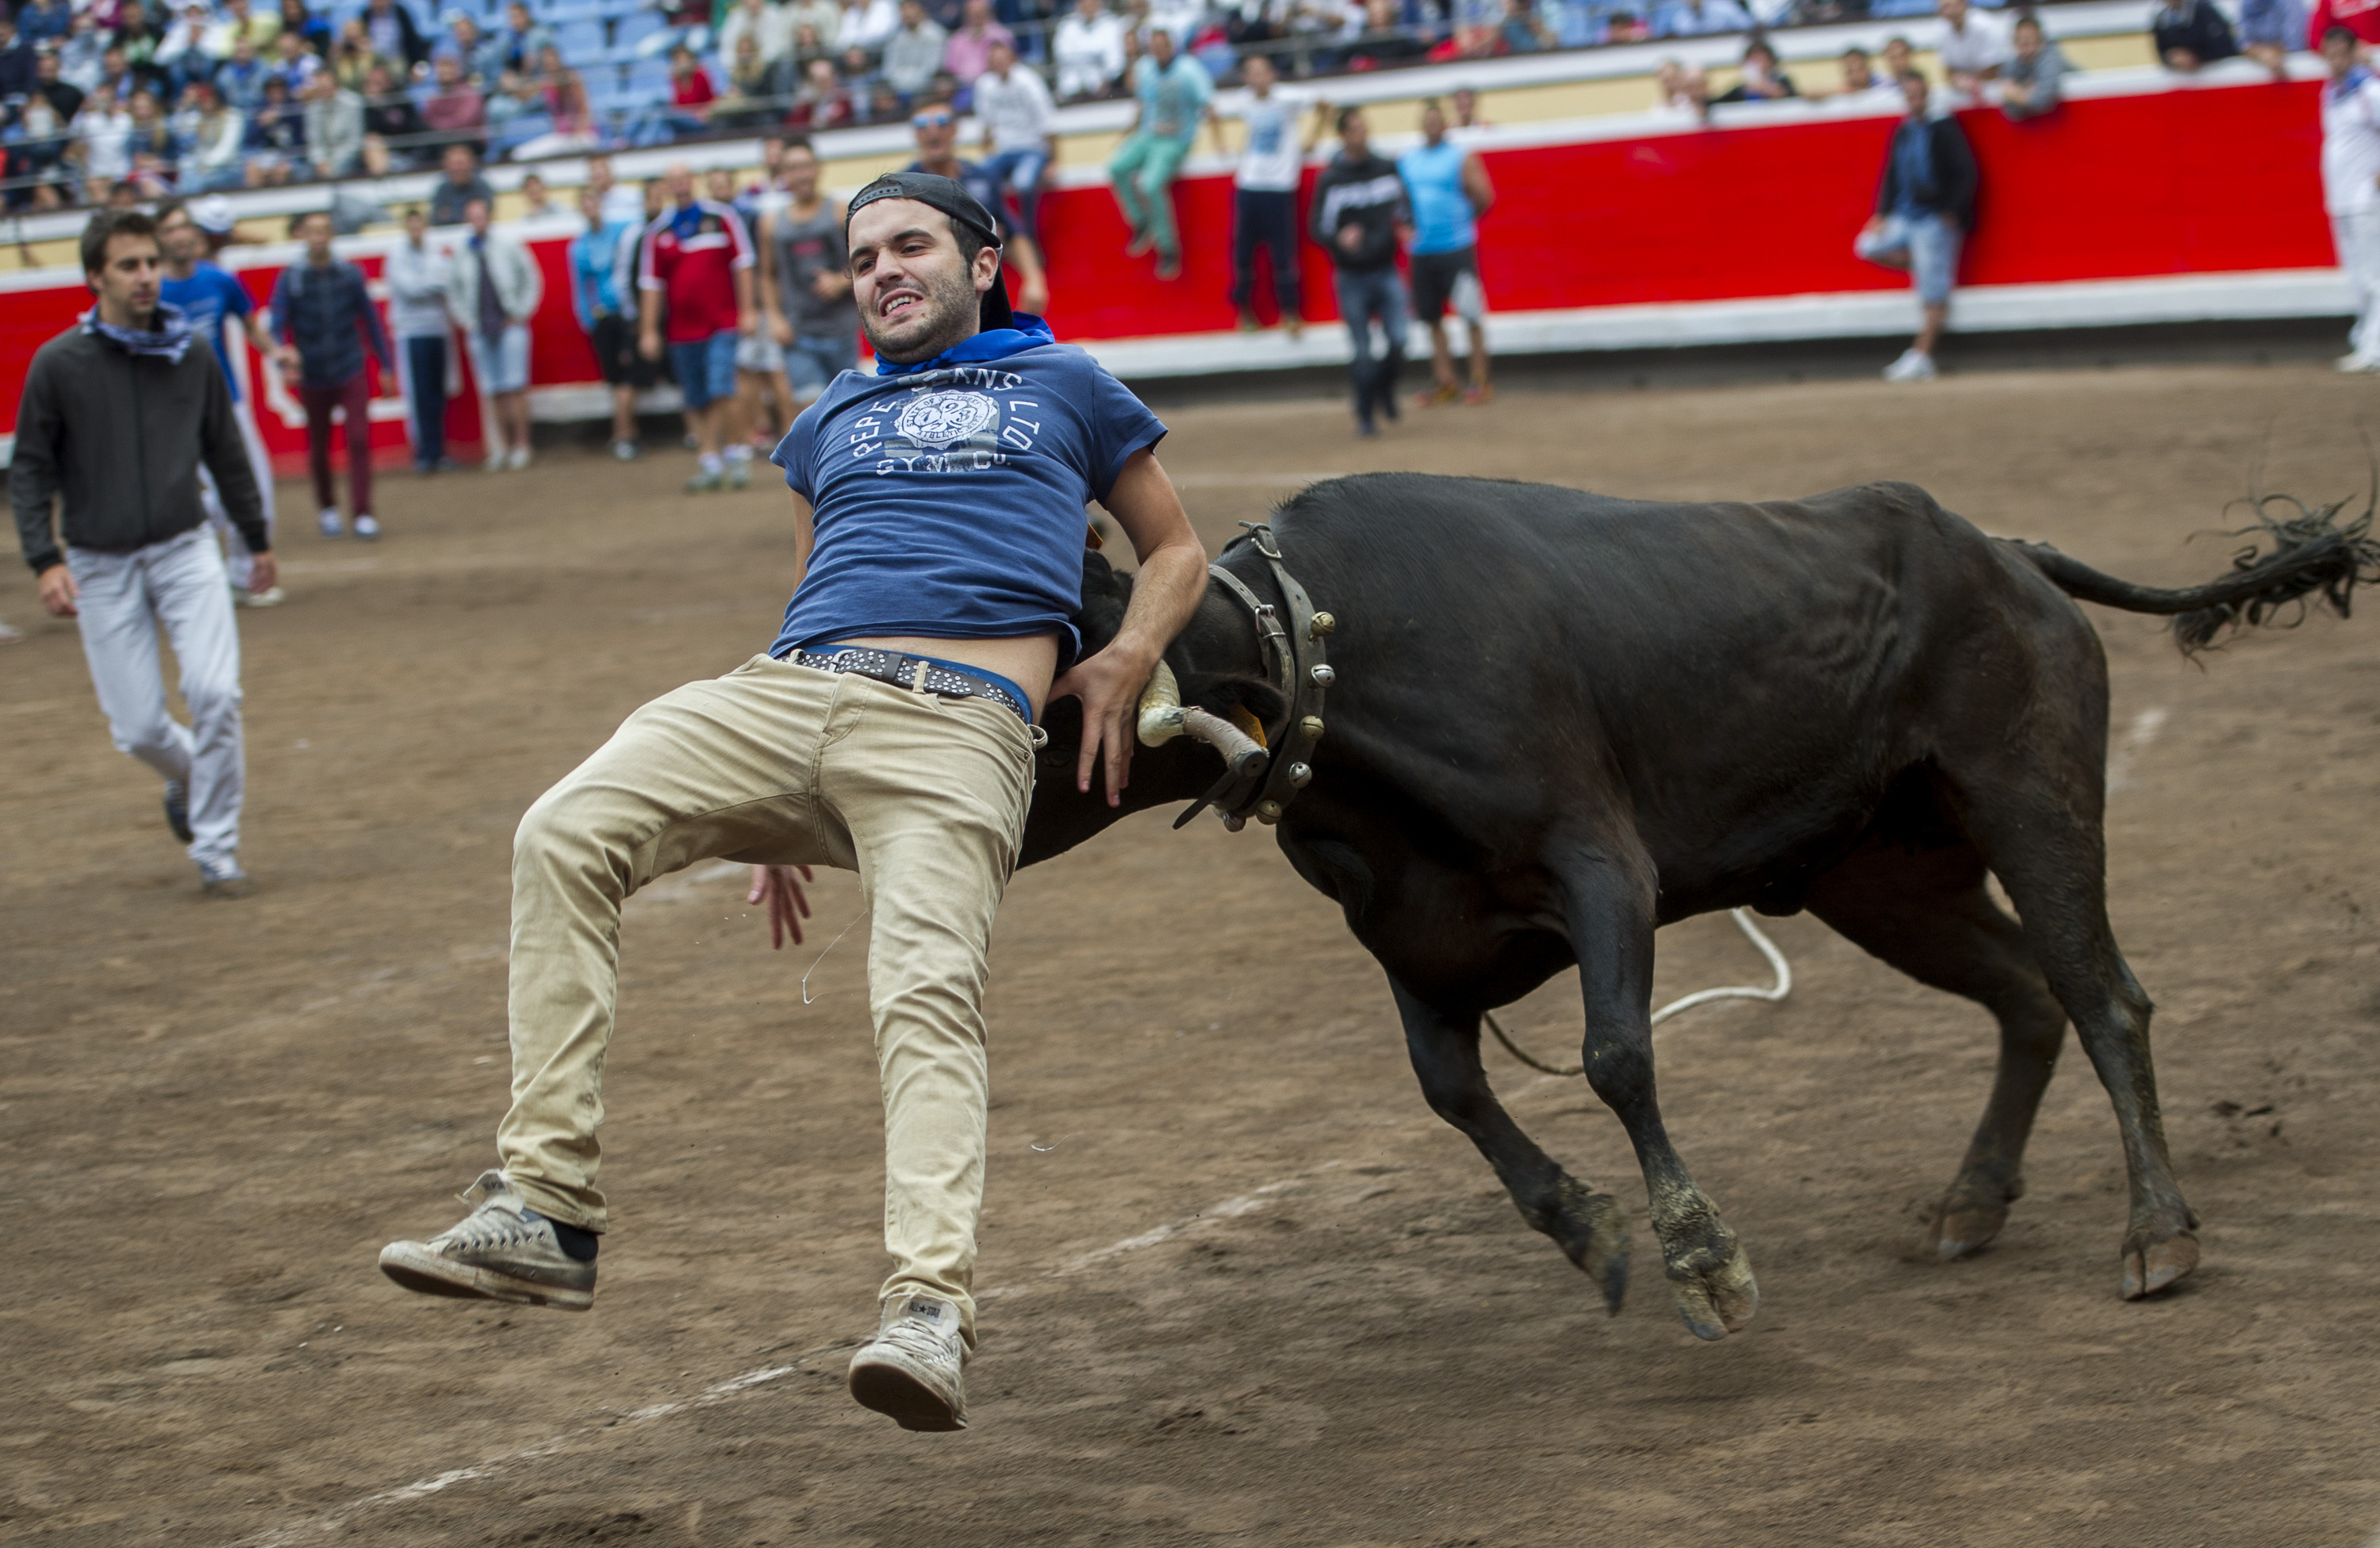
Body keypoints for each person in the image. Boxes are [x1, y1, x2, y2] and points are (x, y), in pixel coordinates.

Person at [374, 169, 1209, 1439]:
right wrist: (770, 807)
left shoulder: (1070, 384)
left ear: (982, 262)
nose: (883, 268)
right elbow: (818, 584)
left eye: (911, 244)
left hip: (958, 720)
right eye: (864, 253)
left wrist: (1130, 652)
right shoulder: (830, 412)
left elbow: (1177, 548)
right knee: (562, 827)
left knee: (924, 989)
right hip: (788, 693)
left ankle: (928, 1304)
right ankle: (547, 1206)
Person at [12, 209, 273, 898]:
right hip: (99, 561)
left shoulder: (191, 354)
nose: (147, 275)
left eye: (151, 262)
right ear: (96, 275)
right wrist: (46, 558)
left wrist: (255, 538)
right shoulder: (57, 364)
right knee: (135, 730)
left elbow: (225, 450)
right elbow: (32, 468)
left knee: (216, 694)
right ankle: (192, 777)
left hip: (187, 548)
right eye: (129, 265)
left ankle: (216, 847)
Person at [156, 201, 283, 606]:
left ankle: (245, 575)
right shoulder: (151, 291)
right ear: (159, 238)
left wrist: (277, 354)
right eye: (172, 228)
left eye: (186, 227)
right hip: (174, 411)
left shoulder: (220, 281)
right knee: (188, 498)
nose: (182, 235)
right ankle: (187, 578)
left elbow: (250, 325)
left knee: (255, 488)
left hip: (228, 402)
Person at [273, 209, 397, 540]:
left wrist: (385, 365)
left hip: (349, 365)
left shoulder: (349, 275)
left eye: (324, 231)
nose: (318, 237)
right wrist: (286, 359)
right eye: (312, 231)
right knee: (319, 446)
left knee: (358, 439)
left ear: (331, 236)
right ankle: (327, 508)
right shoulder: (292, 278)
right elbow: (277, 324)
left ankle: (362, 512)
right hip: (312, 373)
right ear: (302, 236)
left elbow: (370, 321)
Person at [639, 161, 758, 492]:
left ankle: (736, 453)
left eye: (683, 179)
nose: (679, 185)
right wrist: (648, 330)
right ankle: (709, 459)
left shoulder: (722, 217)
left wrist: (747, 310)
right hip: (681, 330)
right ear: (666, 186)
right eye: (672, 180)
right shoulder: (658, 232)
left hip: (722, 322)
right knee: (694, 397)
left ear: (692, 182)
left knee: (722, 386)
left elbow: (743, 264)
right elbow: (651, 285)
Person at [1855, 70, 1976, 383]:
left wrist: (1952, 210)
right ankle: (1922, 266)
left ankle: (1922, 355)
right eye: (1909, 96)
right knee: (1867, 246)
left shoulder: (1945, 128)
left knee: (1933, 294)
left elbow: (1966, 171)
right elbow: (1892, 174)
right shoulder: (1904, 130)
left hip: (1934, 218)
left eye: (1918, 95)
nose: (1914, 101)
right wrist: (1881, 213)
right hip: (1906, 217)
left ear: (1927, 96)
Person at [1310, 105, 1408, 436]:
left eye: (1363, 128)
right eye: (1354, 129)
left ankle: (1383, 390)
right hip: (1351, 276)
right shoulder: (1332, 179)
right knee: (1363, 351)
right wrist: (1338, 238)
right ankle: (1366, 415)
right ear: (1343, 135)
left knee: (1399, 340)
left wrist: (1408, 225)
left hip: (1385, 268)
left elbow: (1405, 208)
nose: (1361, 135)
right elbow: (1316, 228)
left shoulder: (1386, 168)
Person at [909, 101, 1050, 312]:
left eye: (941, 122)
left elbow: (1013, 231)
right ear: (915, 134)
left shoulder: (980, 177)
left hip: (980, 293)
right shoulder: (907, 187)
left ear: (955, 129)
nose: (932, 130)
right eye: (922, 124)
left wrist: (1034, 281)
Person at [1399, 97, 1494, 407]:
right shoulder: (1408, 161)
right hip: (1422, 250)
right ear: (1421, 127)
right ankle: (1447, 382)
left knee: (1470, 314)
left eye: (1436, 122)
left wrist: (1462, 223)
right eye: (1427, 122)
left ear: (1444, 125)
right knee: (1431, 319)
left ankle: (1480, 380)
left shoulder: (1459, 157)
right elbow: (1401, 203)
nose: (1432, 127)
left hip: (1456, 247)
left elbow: (1484, 196)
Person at [759, 135, 858, 408]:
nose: (800, 174)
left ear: (818, 168)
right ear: (782, 174)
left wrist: (841, 280)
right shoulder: (771, 224)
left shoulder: (840, 212)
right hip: (797, 333)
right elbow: (767, 275)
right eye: (792, 168)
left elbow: (865, 260)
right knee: (811, 408)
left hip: (840, 329)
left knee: (843, 408)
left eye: (805, 165)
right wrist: (774, 318)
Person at [1107, 27, 1212, 280]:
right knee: (1117, 167)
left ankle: (1168, 248)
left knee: (1149, 184)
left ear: (1172, 46)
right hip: (1148, 135)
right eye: (1154, 47)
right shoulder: (1145, 68)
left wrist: (1214, 140)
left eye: (1162, 46)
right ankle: (1141, 221)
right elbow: (1144, 103)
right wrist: (1128, 132)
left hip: (1174, 140)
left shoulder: (1189, 70)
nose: (1158, 51)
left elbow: (1207, 104)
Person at [447, 195, 542, 471]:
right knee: (493, 390)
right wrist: (467, 321)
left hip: (510, 325)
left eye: (481, 215)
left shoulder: (508, 245)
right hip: (480, 329)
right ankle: (502, 447)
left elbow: (531, 278)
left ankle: (522, 445)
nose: (477, 221)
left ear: (489, 217)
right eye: (472, 216)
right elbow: (455, 292)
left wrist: (521, 312)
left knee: (515, 387)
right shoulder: (461, 252)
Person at [1226, 54, 1317, 336]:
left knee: (1283, 254)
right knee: (1243, 254)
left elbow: (1325, 104)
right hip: (1249, 184)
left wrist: (1311, 140)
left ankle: (1291, 313)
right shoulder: (1242, 100)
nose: (1257, 79)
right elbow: (1210, 112)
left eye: (1261, 72)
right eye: (1251, 73)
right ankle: (1246, 314)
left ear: (1272, 74)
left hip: (1279, 186)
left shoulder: (1289, 97)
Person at [570, 185, 651, 459]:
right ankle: (628, 433)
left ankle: (622, 433)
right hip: (603, 318)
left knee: (627, 376)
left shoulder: (621, 231)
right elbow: (580, 288)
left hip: (625, 314)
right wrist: (587, 320)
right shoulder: (579, 247)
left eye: (593, 203)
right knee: (617, 378)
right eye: (585, 205)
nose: (590, 209)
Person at [2320, 25, 2380, 371]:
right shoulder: (2331, 92)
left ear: (2354, 51)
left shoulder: (2369, 90)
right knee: (2359, 277)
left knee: (2374, 276)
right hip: (2341, 198)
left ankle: (2375, 348)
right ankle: (2366, 341)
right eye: (2330, 54)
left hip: (2365, 197)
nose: (2336, 60)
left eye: (2342, 52)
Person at [386, 206, 456, 472]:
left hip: (436, 329)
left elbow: (443, 281)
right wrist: (431, 282)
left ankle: (438, 451)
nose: (416, 230)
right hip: (411, 331)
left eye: (420, 224)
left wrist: (425, 282)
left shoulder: (435, 252)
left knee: (437, 392)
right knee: (420, 394)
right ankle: (424, 453)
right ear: (407, 227)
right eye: (412, 225)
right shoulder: (397, 255)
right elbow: (410, 289)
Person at [969, 36, 1054, 244]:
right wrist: (986, 149)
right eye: (994, 61)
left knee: (1023, 184)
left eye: (1003, 59)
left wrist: (1052, 161)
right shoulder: (984, 85)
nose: (999, 64)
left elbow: (1047, 122)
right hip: (1004, 150)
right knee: (978, 182)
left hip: (1032, 149)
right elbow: (987, 123)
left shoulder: (1029, 81)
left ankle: (1028, 236)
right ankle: (995, 232)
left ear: (1013, 59)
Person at [1994, 13, 2070, 120]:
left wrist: (2017, 94)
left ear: (2040, 40)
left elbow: (2043, 101)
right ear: (2014, 41)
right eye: (2020, 39)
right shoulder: (2012, 63)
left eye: (2029, 38)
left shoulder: (2051, 58)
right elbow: (2011, 111)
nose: (2024, 42)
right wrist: (2026, 94)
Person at [1935, 0, 2011, 102]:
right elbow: (1948, 70)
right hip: (1963, 86)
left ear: (1965, 4)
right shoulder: (1941, 30)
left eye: (1955, 5)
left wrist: (1969, 81)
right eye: (1946, 7)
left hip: (1993, 82)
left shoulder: (1985, 25)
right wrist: (1960, 81)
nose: (1951, 11)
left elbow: (1994, 69)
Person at [1053, 0, 1127, 99]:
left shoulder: (1111, 24)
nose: (1088, 5)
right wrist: (1097, 57)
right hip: (1070, 87)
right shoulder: (1067, 25)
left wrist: (1106, 80)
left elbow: (1116, 61)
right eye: (1084, 2)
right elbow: (1062, 56)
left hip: (1103, 88)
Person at [2151, 0, 2240, 70]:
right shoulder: (2161, 19)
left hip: (2217, 72)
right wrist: (2171, 59)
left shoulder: (2204, 10)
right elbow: (2162, 51)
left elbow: (2223, 44)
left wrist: (2197, 57)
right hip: (2184, 79)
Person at [429, 141, 496, 225]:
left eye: (461, 163)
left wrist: (450, 215)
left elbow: (484, 218)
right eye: (454, 164)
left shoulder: (482, 187)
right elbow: (436, 219)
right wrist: (468, 215)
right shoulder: (442, 190)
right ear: (446, 165)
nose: (458, 169)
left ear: (471, 162)